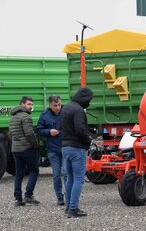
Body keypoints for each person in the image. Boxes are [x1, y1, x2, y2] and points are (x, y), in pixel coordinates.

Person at [61, 87, 93, 218]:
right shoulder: (79, 110)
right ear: (84, 98)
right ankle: (73, 209)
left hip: (65, 147)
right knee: (78, 179)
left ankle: (68, 207)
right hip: (76, 148)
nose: (89, 102)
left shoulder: (66, 108)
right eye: (89, 99)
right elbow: (80, 129)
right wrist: (88, 141)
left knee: (69, 178)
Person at [9, 96, 40, 206]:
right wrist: (35, 144)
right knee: (34, 171)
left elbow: (10, 134)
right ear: (22, 104)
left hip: (16, 149)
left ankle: (18, 199)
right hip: (27, 148)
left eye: (32, 104)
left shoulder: (12, 117)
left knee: (19, 173)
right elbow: (29, 133)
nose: (31, 106)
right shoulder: (26, 117)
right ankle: (28, 195)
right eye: (29, 104)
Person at [37, 95, 67, 206]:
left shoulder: (66, 113)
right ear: (50, 105)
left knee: (67, 173)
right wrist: (49, 131)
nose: (58, 107)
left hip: (65, 147)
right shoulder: (45, 116)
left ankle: (68, 196)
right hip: (53, 149)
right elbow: (39, 129)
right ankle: (60, 197)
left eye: (59, 104)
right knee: (56, 175)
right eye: (55, 105)